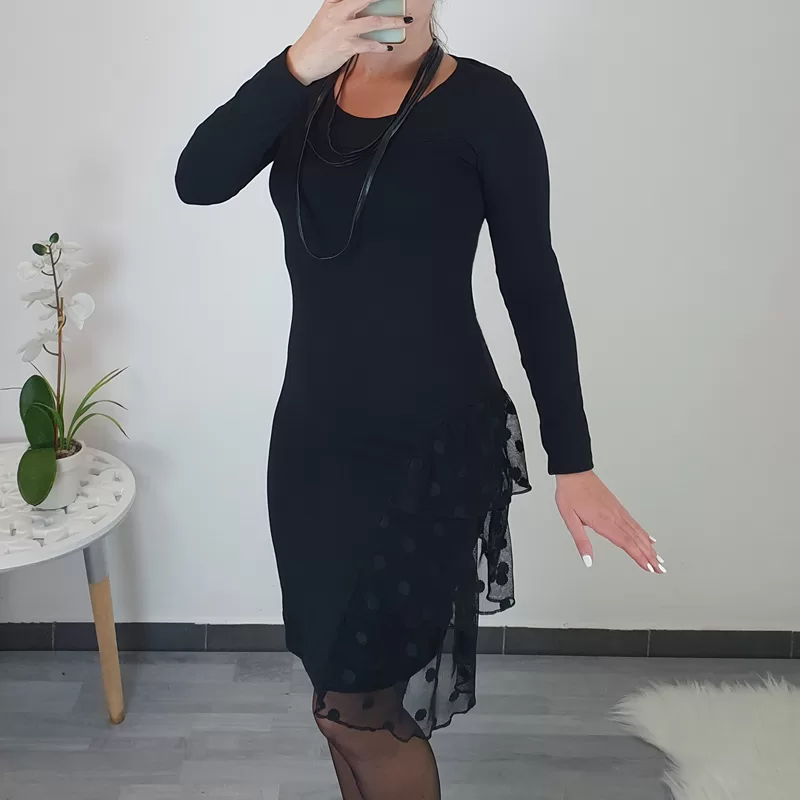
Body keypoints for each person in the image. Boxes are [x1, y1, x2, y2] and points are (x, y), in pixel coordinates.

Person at [175, 1, 664, 797]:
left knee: (358, 715)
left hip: (432, 446)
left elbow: (531, 282)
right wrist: (298, 64)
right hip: (313, 446)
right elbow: (197, 180)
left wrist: (572, 461)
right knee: (333, 700)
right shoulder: (302, 90)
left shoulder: (486, 103)